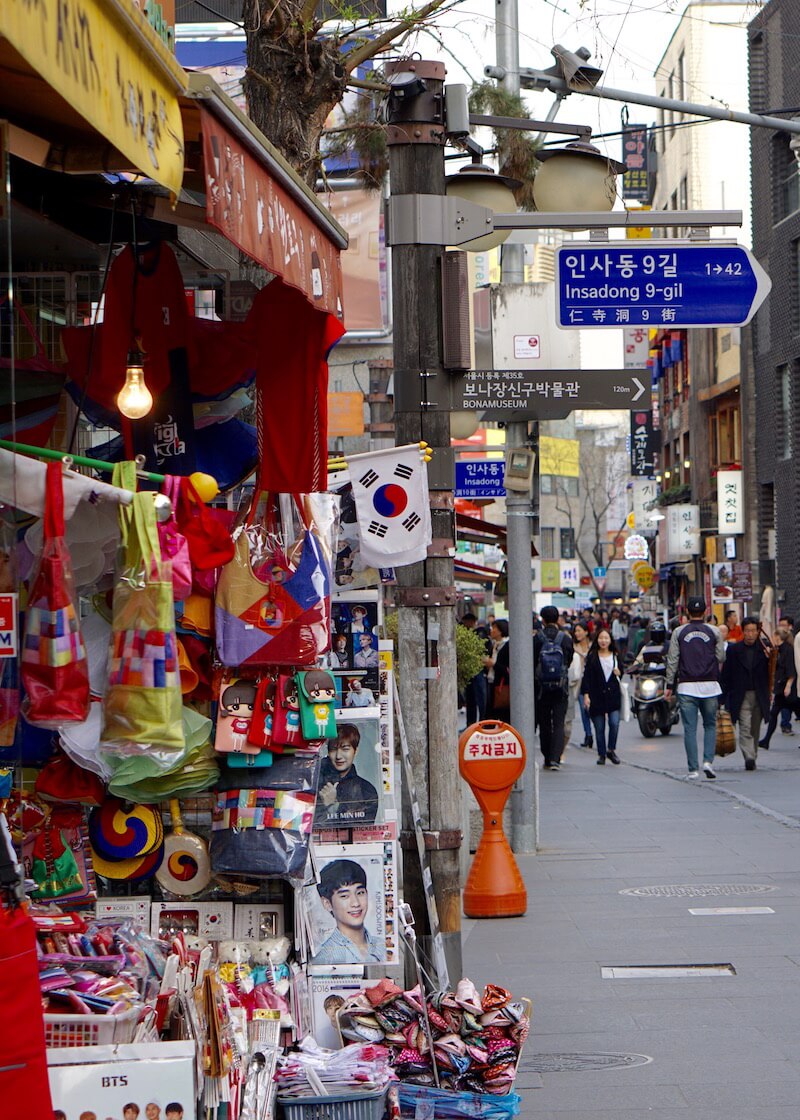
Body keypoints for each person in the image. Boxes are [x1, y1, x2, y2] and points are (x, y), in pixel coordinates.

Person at [665, 596, 725, 779]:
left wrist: (669, 685)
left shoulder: (679, 633)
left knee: (690, 729)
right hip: (710, 685)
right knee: (710, 725)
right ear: (706, 612)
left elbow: (672, 660)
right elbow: (721, 657)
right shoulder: (714, 632)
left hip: (686, 686)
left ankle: (693, 769)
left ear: (687, 613)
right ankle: (708, 761)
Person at [721, 617, 771, 770]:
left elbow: (774, 670)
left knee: (755, 727)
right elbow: (726, 674)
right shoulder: (734, 650)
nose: (750, 634)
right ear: (743, 632)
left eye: (753, 631)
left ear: (758, 632)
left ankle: (753, 753)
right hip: (741, 694)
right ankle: (748, 756)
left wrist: (772, 657)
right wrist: (722, 697)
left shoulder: (765, 649)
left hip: (759, 693)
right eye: (747, 631)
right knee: (744, 726)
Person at [313, 859, 384, 964]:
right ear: (327, 903)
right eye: (344, 896)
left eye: (360, 893)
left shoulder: (382, 945)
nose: (355, 903)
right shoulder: (325, 956)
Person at [533, 605, 574, 770]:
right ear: (558, 619)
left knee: (544, 722)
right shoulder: (565, 639)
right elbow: (569, 660)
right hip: (560, 686)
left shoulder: (537, 638)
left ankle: (547, 756)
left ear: (542, 620)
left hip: (541, 687)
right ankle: (556, 758)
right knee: (558, 722)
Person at [315, 724, 379, 825]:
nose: (338, 756)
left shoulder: (366, 790)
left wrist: (333, 806)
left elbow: (361, 831)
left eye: (345, 749)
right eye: (333, 749)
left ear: (355, 751)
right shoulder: (315, 783)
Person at [580, 628, 623, 765]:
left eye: (606, 638)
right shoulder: (592, 657)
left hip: (613, 695)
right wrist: (586, 695)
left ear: (610, 640)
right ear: (597, 640)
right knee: (599, 727)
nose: (603, 641)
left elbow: (622, 672)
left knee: (614, 723)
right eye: (601, 638)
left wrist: (619, 672)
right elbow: (586, 678)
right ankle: (602, 753)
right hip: (596, 695)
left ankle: (611, 749)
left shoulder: (615, 656)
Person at [759, 626, 798, 749]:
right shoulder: (778, 650)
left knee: (777, 713)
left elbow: (790, 669)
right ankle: (766, 740)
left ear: (777, 637)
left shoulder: (787, 650)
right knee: (774, 713)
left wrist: (788, 685)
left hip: (787, 688)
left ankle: (766, 740)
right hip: (781, 687)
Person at [567, 622, 593, 748]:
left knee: (593, 709)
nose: (577, 633)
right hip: (580, 681)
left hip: (594, 681)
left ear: (586, 632)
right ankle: (588, 734)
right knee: (584, 709)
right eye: (575, 631)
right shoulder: (573, 647)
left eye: (579, 630)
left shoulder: (593, 647)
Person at [460, 612, 489, 726]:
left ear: (472, 622)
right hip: (469, 671)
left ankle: (483, 722)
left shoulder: (480, 633)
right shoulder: (465, 633)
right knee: (470, 699)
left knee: (481, 699)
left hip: (479, 671)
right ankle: (470, 724)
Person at [486, 619, 510, 720]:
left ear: (500, 631)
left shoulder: (507, 646)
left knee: (500, 715)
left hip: (502, 686)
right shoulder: (494, 645)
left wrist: (493, 664)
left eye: (494, 628)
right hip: (492, 682)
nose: (491, 630)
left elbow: (507, 670)